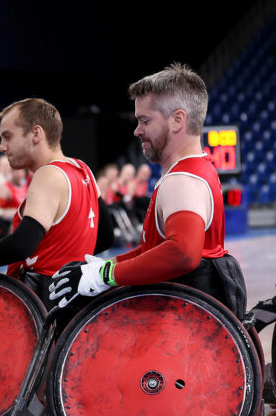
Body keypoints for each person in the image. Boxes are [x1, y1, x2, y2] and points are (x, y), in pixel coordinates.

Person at [50, 63, 248, 317]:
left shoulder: (182, 181)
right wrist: (106, 266)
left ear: (178, 120)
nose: (137, 130)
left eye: (145, 121)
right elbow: (155, 250)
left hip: (178, 325)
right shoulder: (198, 167)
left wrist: (105, 275)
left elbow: (182, 254)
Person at [0, 99, 113, 303]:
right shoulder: (83, 169)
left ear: (36, 133)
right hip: (71, 298)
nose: (2, 147)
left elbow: (23, 244)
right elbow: (106, 237)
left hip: (41, 301)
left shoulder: (48, 174)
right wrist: (65, 259)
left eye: (7, 137)